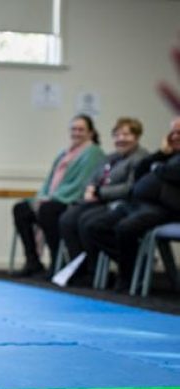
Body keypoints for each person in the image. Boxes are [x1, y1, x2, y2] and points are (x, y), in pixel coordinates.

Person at [81, 118, 180, 291]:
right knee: (95, 226)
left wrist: (157, 167)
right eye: (172, 132)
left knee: (125, 228)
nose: (175, 136)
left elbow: (170, 173)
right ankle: (137, 265)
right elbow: (142, 170)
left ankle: (126, 277)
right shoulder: (168, 153)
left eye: (179, 132)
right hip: (137, 203)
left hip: (165, 208)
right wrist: (161, 155)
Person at [58, 117, 149, 285]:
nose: (121, 138)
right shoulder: (110, 157)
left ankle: (96, 272)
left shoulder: (141, 158)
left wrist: (100, 192)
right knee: (67, 219)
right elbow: (93, 178)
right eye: (117, 135)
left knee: (88, 222)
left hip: (119, 203)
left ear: (136, 136)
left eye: (126, 134)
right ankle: (80, 269)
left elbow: (131, 187)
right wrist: (90, 189)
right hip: (98, 200)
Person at [12, 115, 106, 277]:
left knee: (48, 210)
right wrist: (42, 196)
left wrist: (52, 198)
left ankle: (57, 262)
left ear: (90, 132)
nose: (76, 133)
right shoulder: (64, 152)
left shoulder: (93, 152)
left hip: (71, 201)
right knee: (21, 209)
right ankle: (32, 260)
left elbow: (82, 183)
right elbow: (50, 180)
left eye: (81, 129)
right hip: (53, 198)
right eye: (74, 129)